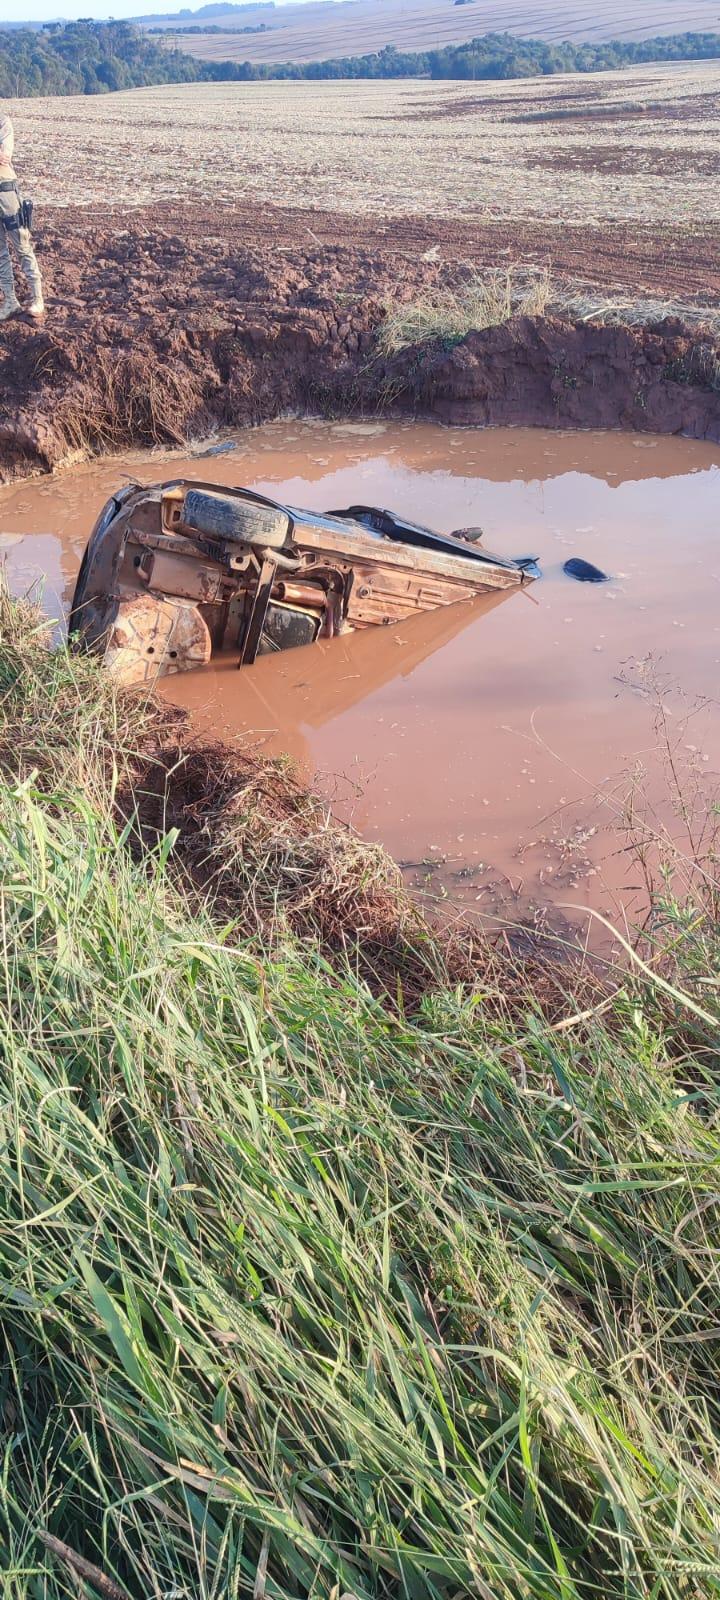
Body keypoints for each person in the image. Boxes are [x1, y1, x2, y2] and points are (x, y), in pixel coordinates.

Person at [0, 110, 44, 322]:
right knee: (0, 253)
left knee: (22, 245)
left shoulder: (3, 122)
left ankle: (38, 299)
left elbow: (3, 157)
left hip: (6, 191)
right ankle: (10, 301)